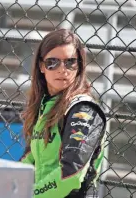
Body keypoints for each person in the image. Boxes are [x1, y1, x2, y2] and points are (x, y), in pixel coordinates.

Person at [20, 28, 107, 198]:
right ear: (41, 66)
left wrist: (30, 194)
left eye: (70, 62)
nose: (62, 69)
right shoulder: (45, 106)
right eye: (52, 62)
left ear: (79, 66)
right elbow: (29, 158)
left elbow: (71, 175)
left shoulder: (83, 110)